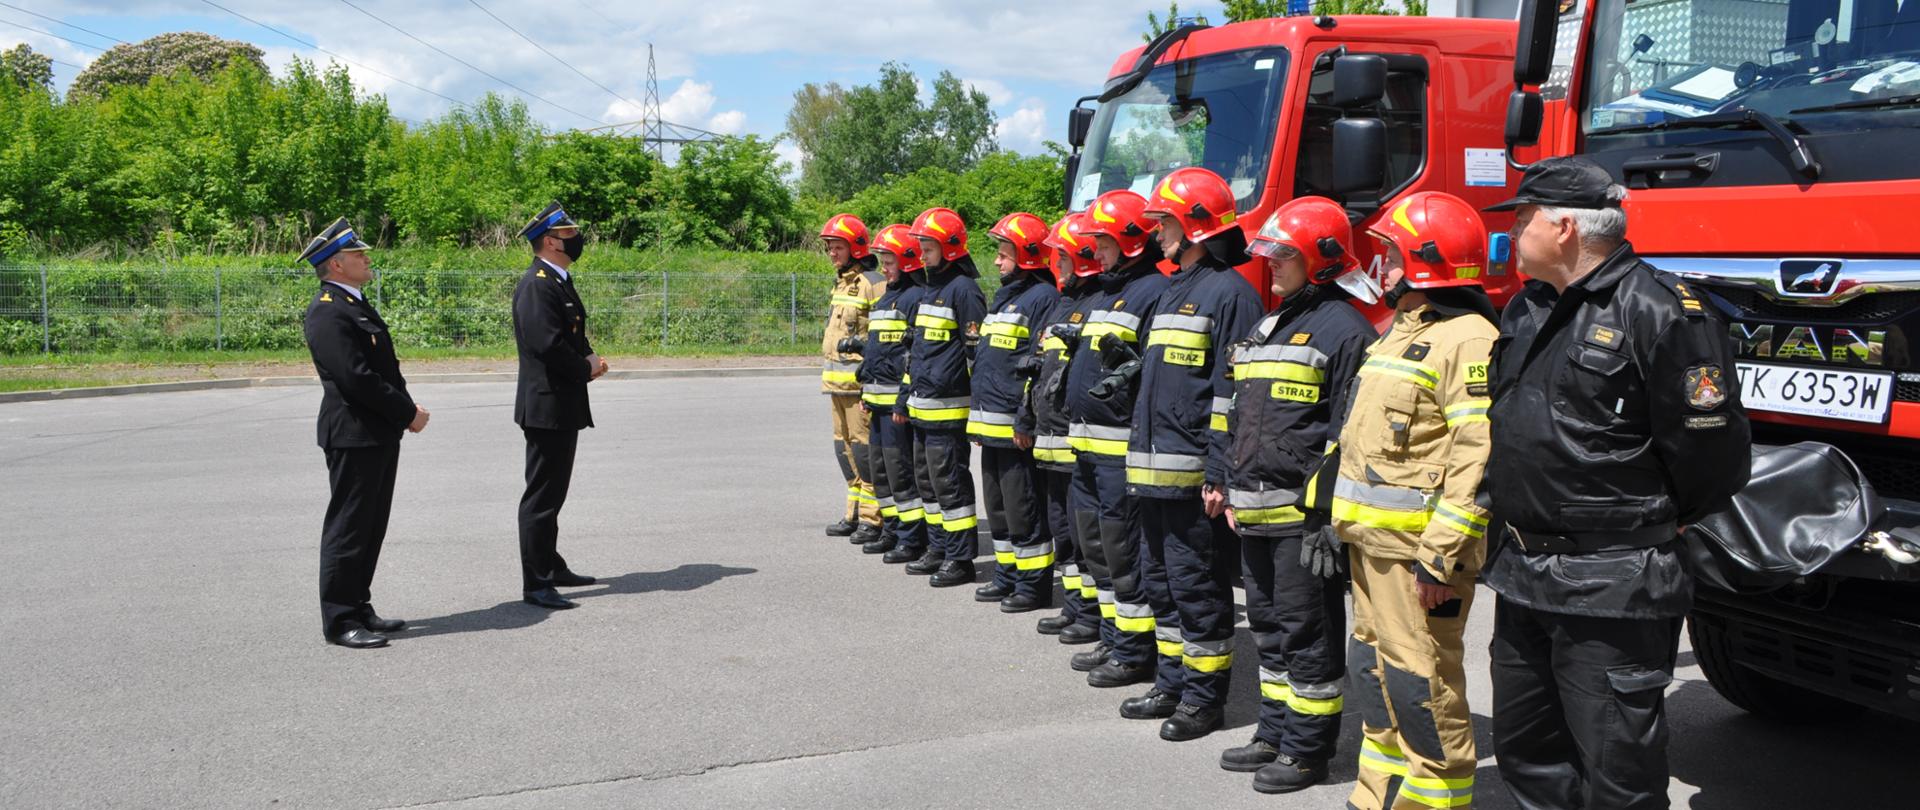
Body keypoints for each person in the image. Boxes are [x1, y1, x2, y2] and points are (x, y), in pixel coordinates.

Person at [1481, 157, 1751, 810]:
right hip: (1521, 572)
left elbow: (1712, 456)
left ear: (1566, 227)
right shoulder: (1528, 307)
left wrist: (1650, 524)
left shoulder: (1663, 310)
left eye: (1523, 218)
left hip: (1611, 583)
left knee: (1617, 775)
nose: (1511, 233)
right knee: (1529, 755)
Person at [1333, 191, 1498, 810]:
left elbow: (1476, 454)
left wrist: (1441, 557)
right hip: (1372, 545)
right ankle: (1376, 793)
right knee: (1377, 674)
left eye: (1391, 252)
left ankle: (1435, 798)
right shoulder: (1403, 331)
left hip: (1418, 555)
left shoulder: (1468, 339)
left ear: (1424, 260)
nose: (1383, 263)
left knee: (1422, 679)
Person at [1215, 196, 1382, 792]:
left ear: (1320, 258)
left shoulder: (1346, 331)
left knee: (1306, 633)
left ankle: (1309, 752)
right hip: (1255, 510)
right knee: (1268, 628)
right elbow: (1241, 414)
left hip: (1299, 519)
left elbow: (1345, 435)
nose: (1270, 263)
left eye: (1282, 253)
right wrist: (1231, 486)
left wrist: (1324, 517)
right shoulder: (1270, 321)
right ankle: (1275, 730)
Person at [1122, 167, 1264, 741]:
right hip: (1151, 473)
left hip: (1190, 479)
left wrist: (1218, 472)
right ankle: (1172, 681)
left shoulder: (1230, 294)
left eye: (1166, 223)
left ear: (1199, 227)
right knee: (1160, 584)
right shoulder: (1172, 289)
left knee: (1197, 591)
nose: (1157, 233)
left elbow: (1233, 395)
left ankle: (1204, 702)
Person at [300, 217, 429, 649]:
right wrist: (407, 411)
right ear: (336, 264)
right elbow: (357, 379)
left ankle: (359, 604)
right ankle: (339, 620)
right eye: (357, 254)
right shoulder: (326, 310)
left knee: (371, 526)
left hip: (376, 433)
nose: (366, 258)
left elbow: (384, 369)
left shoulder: (353, 302)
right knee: (350, 527)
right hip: (353, 434)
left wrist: (401, 415)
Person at [1065, 190, 1171, 687]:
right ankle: (1113, 637)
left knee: (1123, 549)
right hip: (1086, 445)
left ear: (1129, 241)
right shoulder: (1111, 291)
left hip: (1118, 451)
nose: (1095, 249)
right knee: (1097, 547)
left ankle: (1133, 651)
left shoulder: (1152, 289)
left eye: (1103, 240)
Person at [512, 202, 608, 611]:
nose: (577, 238)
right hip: (546, 405)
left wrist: (588, 357)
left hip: (561, 402)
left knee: (554, 493)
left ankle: (550, 566)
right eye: (569, 233)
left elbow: (570, 333)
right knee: (542, 497)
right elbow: (546, 344)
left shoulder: (558, 279)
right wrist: (584, 368)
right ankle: (536, 583)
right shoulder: (537, 283)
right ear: (551, 241)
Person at [970, 212, 1062, 612]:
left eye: (1004, 253)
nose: (997, 261)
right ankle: (1007, 575)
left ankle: (1033, 585)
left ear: (1026, 255)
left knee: (1024, 507)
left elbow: (1037, 364)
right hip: (992, 424)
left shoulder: (1042, 299)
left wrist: (1026, 418)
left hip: (1014, 426)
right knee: (999, 507)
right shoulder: (1006, 296)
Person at [1026, 213, 1106, 644]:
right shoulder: (1063, 303)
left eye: (1062, 257)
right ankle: (1075, 606)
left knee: (1084, 534)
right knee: (1063, 530)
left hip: (1073, 439)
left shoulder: (1094, 305)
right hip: (1049, 437)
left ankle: (1091, 613)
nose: (1056, 264)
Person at [899, 207, 987, 588]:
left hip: (948, 410)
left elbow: (975, 354)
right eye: (921, 247)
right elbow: (916, 352)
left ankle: (960, 557)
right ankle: (937, 547)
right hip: (922, 407)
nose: (922, 255)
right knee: (928, 483)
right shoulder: (931, 290)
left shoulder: (964, 290)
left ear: (950, 248)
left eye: (928, 247)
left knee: (950, 483)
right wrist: (906, 395)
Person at [857, 225, 931, 562]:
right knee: (882, 472)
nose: (884, 268)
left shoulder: (915, 298)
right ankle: (891, 529)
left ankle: (911, 538)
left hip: (897, 406)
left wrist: (902, 398)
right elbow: (878, 349)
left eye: (890, 262)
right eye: (883, 262)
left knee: (902, 474)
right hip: (876, 401)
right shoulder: (887, 296)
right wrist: (865, 384)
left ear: (908, 260)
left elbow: (913, 355)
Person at [819, 214, 887, 547]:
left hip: (859, 386)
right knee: (843, 450)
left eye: (837, 247)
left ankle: (873, 519)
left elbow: (881, 335)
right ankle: (854, 512)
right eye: (829, 247)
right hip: (835, 385)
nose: (832, 253)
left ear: (856, 247)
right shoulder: (842, 283)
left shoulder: (872, 282)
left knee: (864, 451)